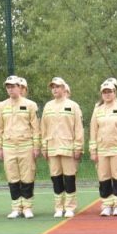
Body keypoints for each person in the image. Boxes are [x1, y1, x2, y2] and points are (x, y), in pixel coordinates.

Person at [0, 75, 40, 218]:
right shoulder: (2, 106)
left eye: (13, 86)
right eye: (8, 87)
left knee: (27, 176)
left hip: (26, 145)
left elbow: (36, 128)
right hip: (8, 146)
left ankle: (27, 207)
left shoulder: (30, 105)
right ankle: (16, 207)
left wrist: (36, 146)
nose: (10, 89)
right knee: (12, 176)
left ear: (20, 87)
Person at [40, 77, 83, 218]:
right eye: (53, 87)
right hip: (52, 147)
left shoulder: (73, 106)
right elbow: (43, 128)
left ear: (64, 88)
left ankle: (70, 207)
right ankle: (59, 207)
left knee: (69, 178)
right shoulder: (48, 106)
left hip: (68, 147)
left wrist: (78, 147)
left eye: (57, 87)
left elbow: (78, 128)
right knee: (56, 178)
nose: (55, 89)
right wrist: (44, 146)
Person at [89, 78, 117, 216]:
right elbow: (93, 130)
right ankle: (106, 205)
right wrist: (93, 150)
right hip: (102, 149)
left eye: (110, 91)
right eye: (104, 92)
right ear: (101, 94)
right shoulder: (97, 109)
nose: (107, 94)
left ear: (115, 92)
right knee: (104, 178)